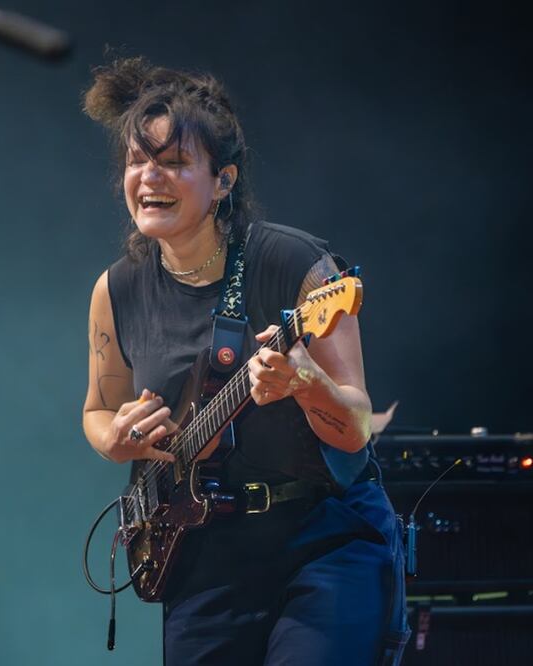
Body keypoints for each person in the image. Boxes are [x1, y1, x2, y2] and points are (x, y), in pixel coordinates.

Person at [81, 58, 409, 665]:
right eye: (137, 161)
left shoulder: (297, 265)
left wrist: (306, 384)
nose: (149, 176)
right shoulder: (116, 289)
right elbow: (98, 409)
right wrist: (116, 440)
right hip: (204, 553)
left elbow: (357, 428)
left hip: (322, 540)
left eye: (173, 162)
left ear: (223, 180)